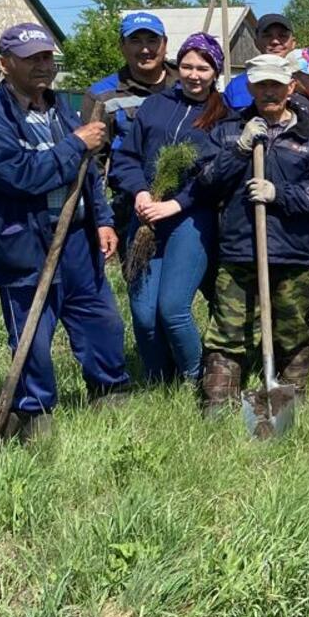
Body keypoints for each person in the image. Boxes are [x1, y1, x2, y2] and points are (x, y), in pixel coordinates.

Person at [0, 23, 131, 442]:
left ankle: (110, 392)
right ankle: (34, 414)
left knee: (101, 321)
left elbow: (87, 172)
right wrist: (76, 143)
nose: (43, 65)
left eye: (46, 57)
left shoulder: (61, 108)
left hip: (76, 236)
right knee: (33, 334)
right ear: (5, 65)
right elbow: (19, 176)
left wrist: (103, 218)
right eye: (31, 58)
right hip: (24, 239)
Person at [198, 54, 309, 415]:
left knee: (291, 331)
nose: (269, 92)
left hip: (291, 252)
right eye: (261, 84)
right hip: (239, 249)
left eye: (276, 84)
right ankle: (218, 410)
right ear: (250, 87)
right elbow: (206, 182)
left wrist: (280, 195)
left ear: (291, 87)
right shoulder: (228, 131)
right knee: (228, 332)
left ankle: (289, 408)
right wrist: (240, 149)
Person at [109, 32, 228, 387]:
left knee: (172, 310)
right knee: (143, 315)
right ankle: (159, 381)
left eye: (203, 68)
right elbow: (126, 158)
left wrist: (177, 204)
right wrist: (141, 193)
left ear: (215, 72)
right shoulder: (155, 106)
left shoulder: (223, 115)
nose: (194, 74)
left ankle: (196, 380)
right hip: (145, 216)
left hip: (191, 219)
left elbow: (217, 174)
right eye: (188, 66)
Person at [88, 10, 178, 152]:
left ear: (165, 43)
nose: (145, 49)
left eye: (152, 40)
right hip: (128, 173)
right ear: (122, 46)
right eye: (135, 41)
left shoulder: (187, 84)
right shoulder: (102, 95)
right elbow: (94, 160)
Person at [224, 12, 297, 109]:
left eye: (282, 36)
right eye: (267, 36)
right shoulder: (237, 86)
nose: (275, 41)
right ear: (256, 42)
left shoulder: (308, 83)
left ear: (293, 43)